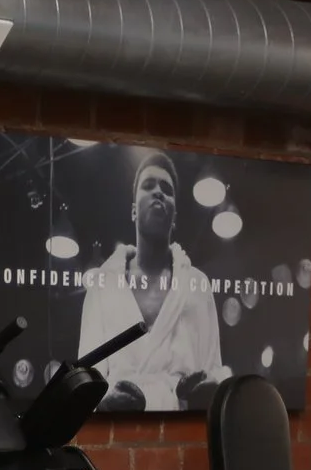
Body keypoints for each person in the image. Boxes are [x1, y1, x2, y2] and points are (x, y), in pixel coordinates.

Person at [75, 151, 225, 412]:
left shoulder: (198, 286)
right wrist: (106, 403)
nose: (158, 192)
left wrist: (208, 389)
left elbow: (213, 372)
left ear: (175, 216)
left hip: (181, 428)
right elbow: (86, 378)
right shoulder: (102, 286)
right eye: (148, 185)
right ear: (133, 210)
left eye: (166, 189)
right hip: (119, 429)